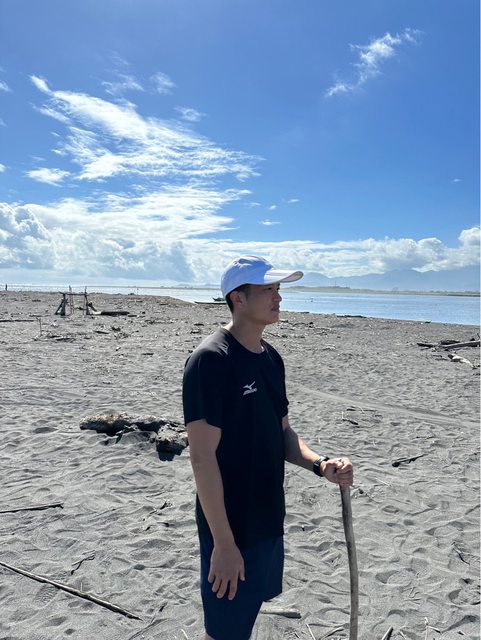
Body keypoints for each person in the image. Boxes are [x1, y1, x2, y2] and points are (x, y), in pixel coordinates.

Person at [182, 255, 353, 640]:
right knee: (223, 630)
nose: (278, 297)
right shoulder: (211, 361)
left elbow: (283, 434)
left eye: (278, 289)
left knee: (242, 618)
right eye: (267, 290)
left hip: (267, 516)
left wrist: (320, 464)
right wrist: (224, 544)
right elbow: (201, 457)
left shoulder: (271, 359)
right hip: (231, 525)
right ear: (238, 298)